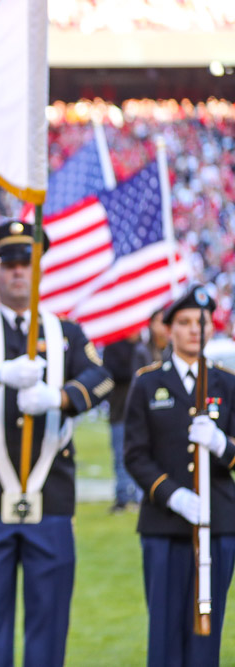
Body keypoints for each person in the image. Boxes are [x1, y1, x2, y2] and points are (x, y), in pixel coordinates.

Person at [0, 220, 113, 667]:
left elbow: (100, 377)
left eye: (26, 263)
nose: (18, 272)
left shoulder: (67, 333)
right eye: (10, 263)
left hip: (50, 495)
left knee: (49, 623)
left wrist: (61, 396)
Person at [124, 285, 235, 667]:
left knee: (207, 628)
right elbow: (135, 455)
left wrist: (222, 445)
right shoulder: (148, 382)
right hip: (164, 524)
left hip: (218, 523)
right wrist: (172, 495)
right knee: (165, 633)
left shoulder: (226, 383)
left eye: (201, 323)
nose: (194, 330)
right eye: (184, 322)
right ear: (168, 329)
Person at [103, 335, 143, 512]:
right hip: (120, 411)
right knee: (121, 456)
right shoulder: (114, 346)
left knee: (141, 454)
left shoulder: (143, 346)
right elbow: (113, 373)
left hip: (141, 413)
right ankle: (123, 497)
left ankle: (139, 496)